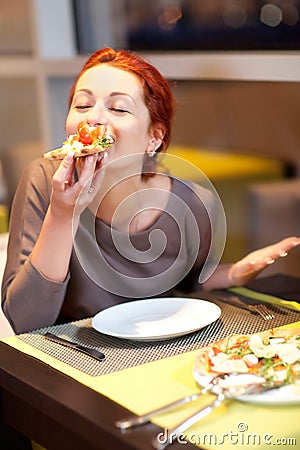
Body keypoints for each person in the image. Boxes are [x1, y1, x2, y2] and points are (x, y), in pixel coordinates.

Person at [1, 47, 299, 334]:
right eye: (82, 105)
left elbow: (186, 285)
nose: (93, 118)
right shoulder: (43, 179)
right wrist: (63, 214)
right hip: (74, 359)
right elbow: (25, 321)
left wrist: (234, 274)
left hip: (161, 351)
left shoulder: (194, 204)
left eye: (118, 108)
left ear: (154, 137)